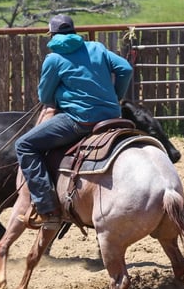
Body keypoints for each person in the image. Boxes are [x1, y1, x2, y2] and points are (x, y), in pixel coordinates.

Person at [14, 14, 134, 228]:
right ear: (74, 31)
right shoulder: (96, 47)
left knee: (24, 145)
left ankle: (46, 208)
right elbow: (125, 68)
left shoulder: (54, 58)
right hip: (113, 117)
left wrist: (59, 96)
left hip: (79, 121)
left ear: (51, 35)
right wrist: (115, 96)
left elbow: (44, 97)